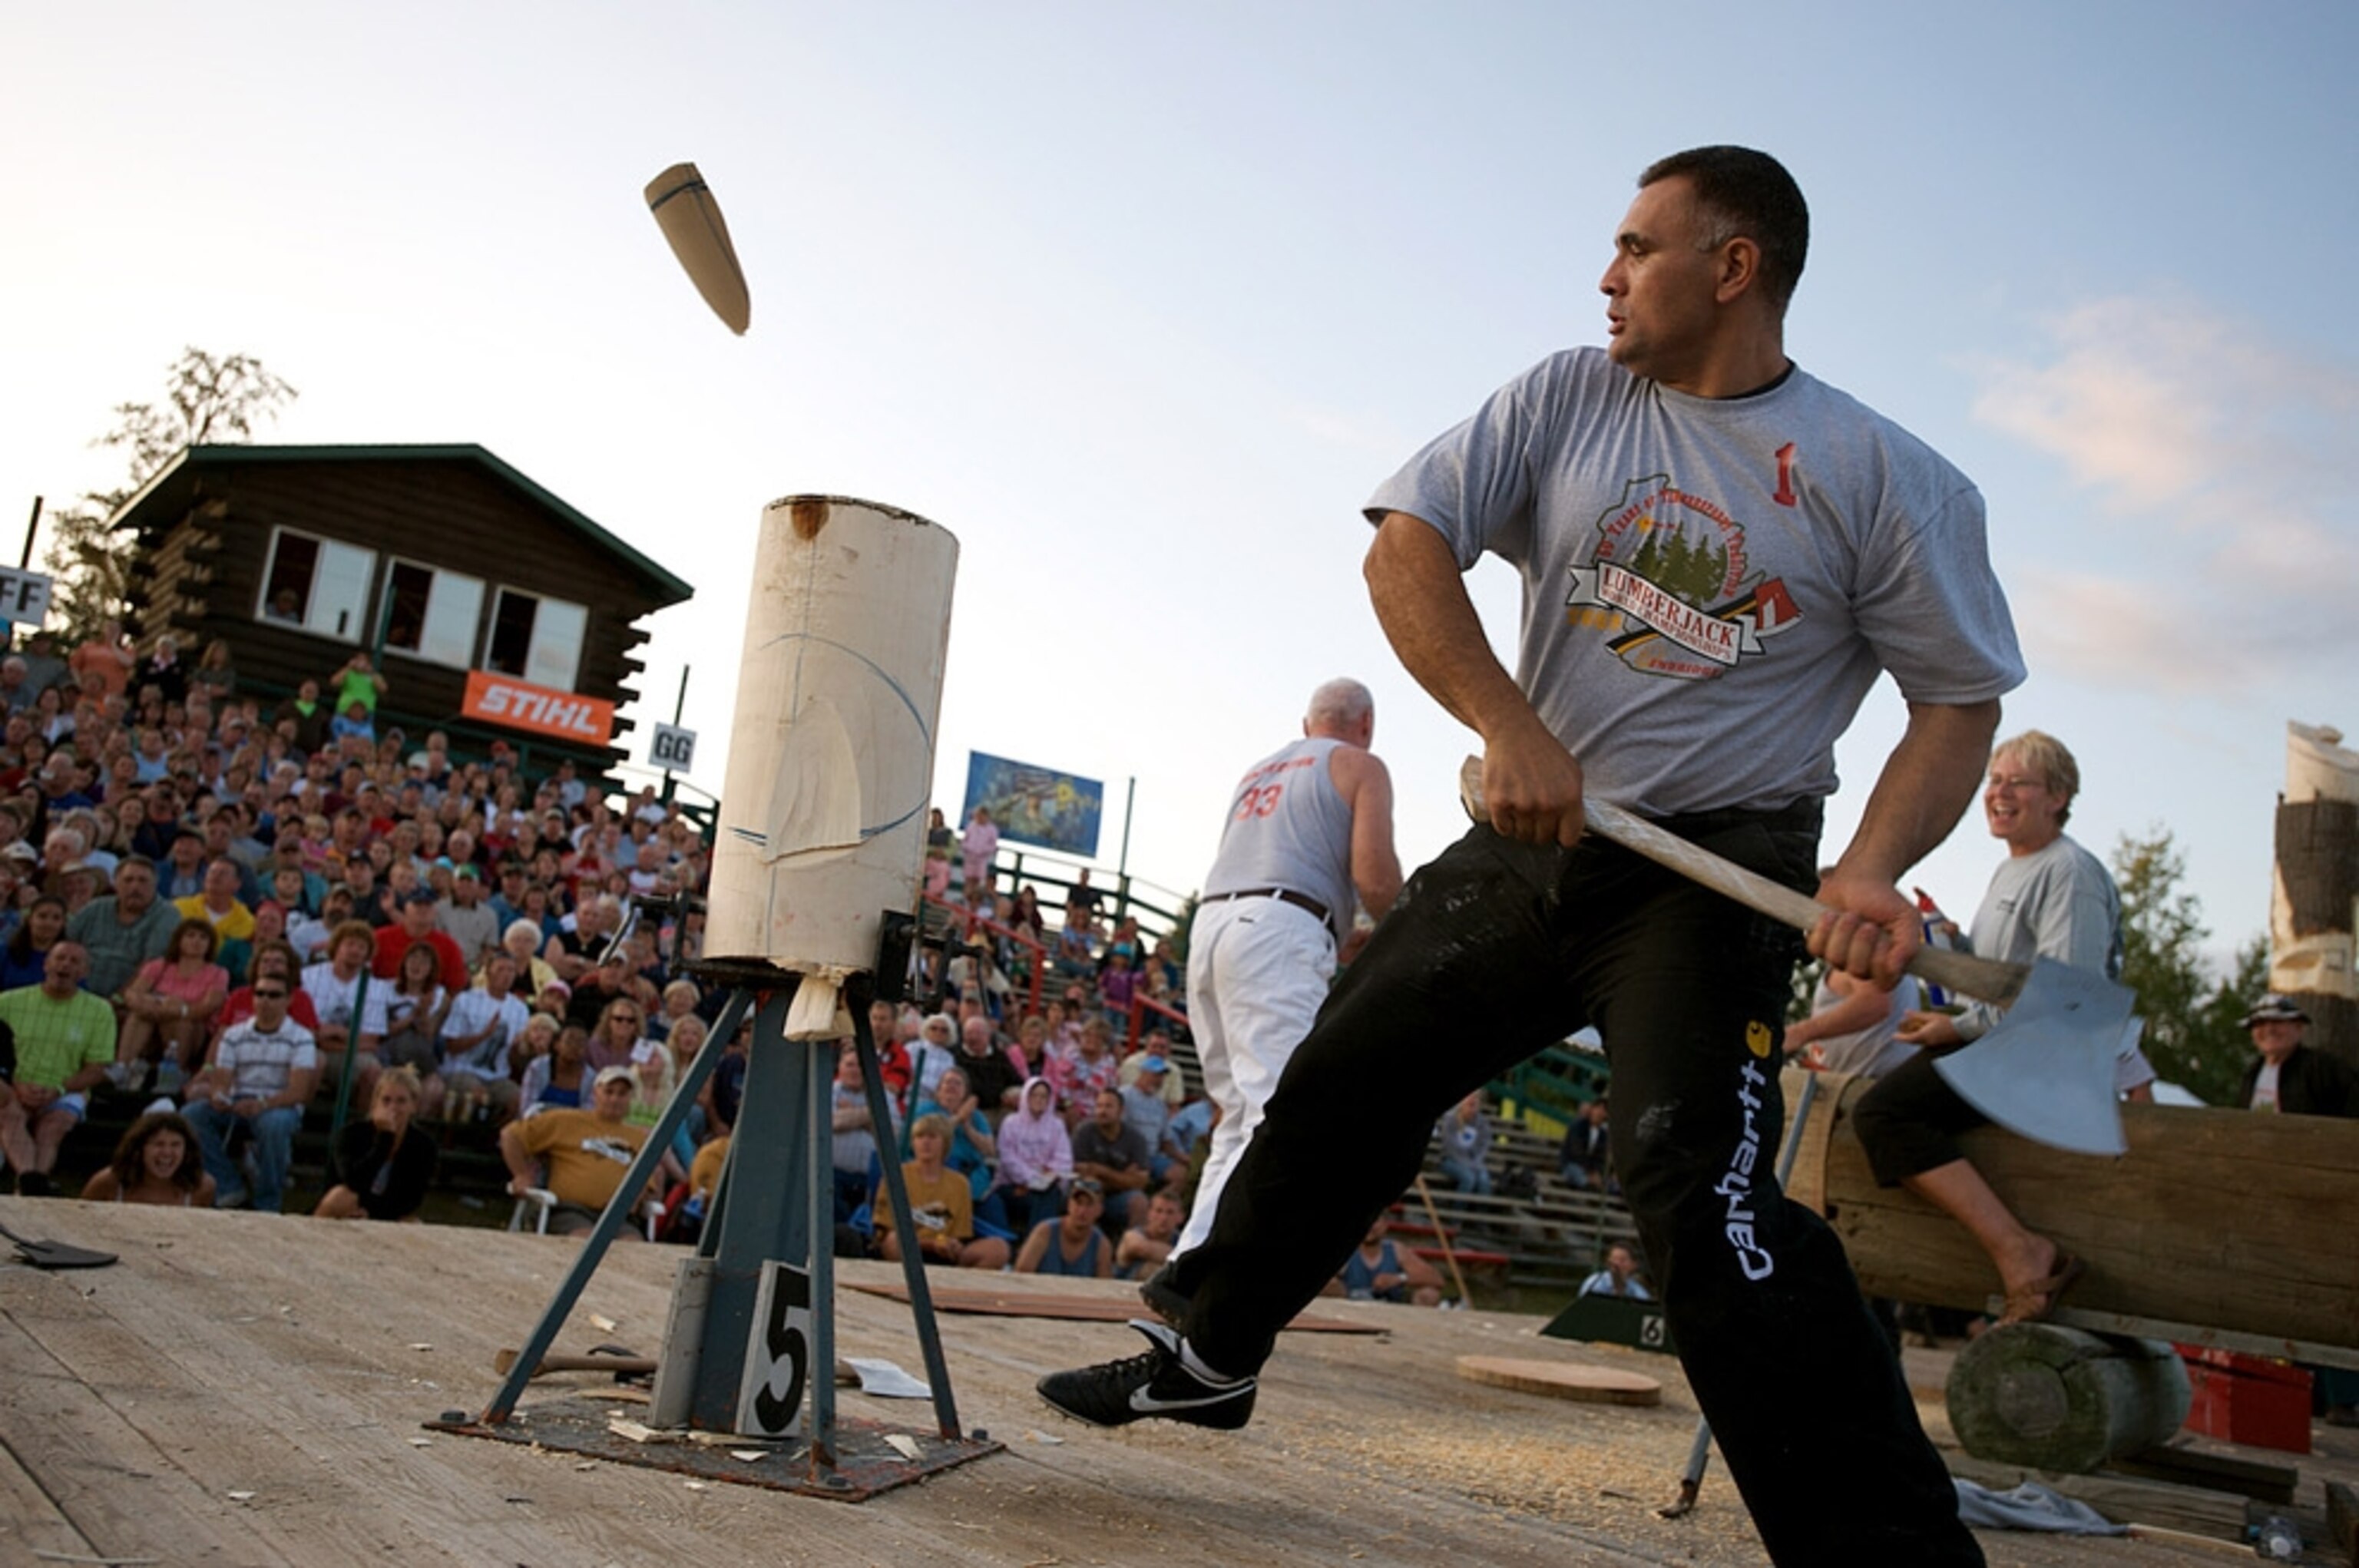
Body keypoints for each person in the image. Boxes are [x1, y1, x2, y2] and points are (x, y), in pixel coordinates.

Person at [1041, 147, 2010, 1566]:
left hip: (1716, 871)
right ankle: (1210, 1348)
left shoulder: (1882, 476)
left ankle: (1887, 1554)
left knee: (1698, 1195)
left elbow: (1957, 703)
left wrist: (1868, 866)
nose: (1606, 276)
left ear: (1733, 267)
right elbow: (1404, 543)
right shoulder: (1568, 395)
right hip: (1538, 835)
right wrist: (1507, 724)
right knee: (1350, 1062)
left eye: (1638, 247)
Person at [1854, 731, 2152, 1327]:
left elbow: (2070, 994)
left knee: (1885, 1114)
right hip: (2008, 1041)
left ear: (2058, 797)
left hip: (2047, 1053)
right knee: (1884, 1101)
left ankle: (2023, 1253)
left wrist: (1960, 1028)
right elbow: (2008, 976)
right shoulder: (2010, 871)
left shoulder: (2069, 871)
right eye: (1994, 780)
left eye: (2019, 782)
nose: (1999, 792)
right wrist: (1953, 949)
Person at [1152, 678, 1401, 1302]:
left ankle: (1189, 1268)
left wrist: (1333, 934)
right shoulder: (1360, 766)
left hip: (1213, 927)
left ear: (1307, 723)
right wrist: (1410, 930)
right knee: (1283, 1111)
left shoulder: (1258, 772)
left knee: (1240, 1114)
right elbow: (1374, 878)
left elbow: (1274, 869)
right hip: (1279, 930)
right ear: (1366, 724)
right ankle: (1228, 1284)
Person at [183, 968, 318, 1212]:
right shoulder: (233, 1035)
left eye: (274, 995)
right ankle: (228, 1188)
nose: (265, 1000)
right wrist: (219, 1097)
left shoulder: (302, 1038)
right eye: (260, 994)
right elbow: (222, 1080)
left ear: (289, 1000)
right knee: (192, 1114)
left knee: (274, 1124)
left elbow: (298, 1092)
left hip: (279, 1105)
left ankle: (268, 1200)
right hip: (238, 1101)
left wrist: (262, 1104)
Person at [0, 941, 117, 1194]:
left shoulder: (99, 1011)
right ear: (46, 964)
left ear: (84, 972)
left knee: (53, 1126)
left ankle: (31, 1183)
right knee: (9, 1115)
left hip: (67, 1089)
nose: (65, 965)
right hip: (14, 1085)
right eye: (60, 958)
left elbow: (96, 1068)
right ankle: (31, 1183)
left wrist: (58, 1089)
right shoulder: (8, 1002)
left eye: (75, 961)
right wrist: (16, 1086)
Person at [498, 1064, 653, 1236]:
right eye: (609, 1092)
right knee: (584, 1242)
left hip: (617, 1216)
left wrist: (635, 1197)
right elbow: (510, 1135)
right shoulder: (567, 1120)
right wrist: (521, 1174)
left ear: (631, 1099)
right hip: (570, 1209)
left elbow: (647, 1179)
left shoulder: (638, 1137)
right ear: (595, 1094)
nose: (615, 1099)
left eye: (622, 1094)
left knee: (633, 1247)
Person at [874, 1113, 1010, 1269]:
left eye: (932, 1137)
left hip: (944, 1251)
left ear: (945, 1143)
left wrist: (952, 1245)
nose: (926, 1142)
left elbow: (960, 1234)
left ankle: (957, 1282)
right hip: (909, 1249)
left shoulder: (960, 1183)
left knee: (998, 1249)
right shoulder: (896, 1176)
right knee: (894, 1240)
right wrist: (931, 1244)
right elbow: (886, 1231)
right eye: (920, 1137)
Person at [316, 1066, 438, 1221]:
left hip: (386, 1212)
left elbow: (411, 1199)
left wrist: (371, 1213)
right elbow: (353, 1180)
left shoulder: (424, 1145)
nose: (393, 1107)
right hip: (345, 1207)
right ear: (375, 1103)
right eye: (386, 1100)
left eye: (401, 1101)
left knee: (413, 1223)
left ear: (413, 1106)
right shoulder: (351, 1135)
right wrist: (385, 1138)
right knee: (342, 1197)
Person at [2238, 993, 2359, 1116]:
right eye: (2260, 1023)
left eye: (2277, 1021)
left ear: (2299, 1027)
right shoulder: (2251, 1074)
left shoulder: (2324, 1069)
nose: (2269, 1030)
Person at [80, 1109, 216, 1206]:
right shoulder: (107, 1183)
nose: (167, 1152)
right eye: (159, 1144)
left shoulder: (202, 1188)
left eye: (175, 1145)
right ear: (139, 1149)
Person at [1325, 1215, 1443, 1307]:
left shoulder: (1395, 1250)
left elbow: (1436, 1279)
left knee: (1429, 1294)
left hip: (1391, 1308)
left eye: (1375, 1221)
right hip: (1350, 1308)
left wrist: (1398, 1279)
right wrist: (1339, 1289)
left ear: (1385, 1225)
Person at [1014, 1176, 1115, 1278]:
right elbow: (1022, 1275)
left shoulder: (1101, 1245)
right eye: (1078, 1203)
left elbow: (1104, 1283)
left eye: (1089, 1205)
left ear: (1099, 1210)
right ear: (1069, 1204)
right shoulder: (1045, 1232)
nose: (1082, 1211)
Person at [1117, 1188, 1188, 1280]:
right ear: (1149, 1213)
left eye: (1170, 1212)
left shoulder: (1183, 1241)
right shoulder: (1133, 1236)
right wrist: (1181, 1258)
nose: (1164, 1218)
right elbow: (1139, 1248)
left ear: (1181, 1217)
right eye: (1159, 1211)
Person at [1434, 1090, 1494, 1195]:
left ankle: (1482, 1205)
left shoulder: (1483, 1123)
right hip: (1449, 1160)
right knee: (1468, 1178)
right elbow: (1451, 1148)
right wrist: (1468, 1163)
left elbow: (1482, 1148)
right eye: (1470, 1096)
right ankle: (1459, 1204)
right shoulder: (1450, 1119)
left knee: (1484, 1180)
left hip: (1473, 1162)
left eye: (1476, 1097)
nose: (1473, 1099)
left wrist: (1473, 1163)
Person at [1558, 1097, 1614, 1192]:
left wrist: (1596, 1171)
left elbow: (1601, 1157)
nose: (1599, 1113)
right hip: (1572, 1164)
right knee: (1578, 1175)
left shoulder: (1603, 1135)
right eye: (1598, 1108)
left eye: (1603, 1110)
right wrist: (1589, 1171)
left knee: (1609, 1182)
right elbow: (1576, 1152)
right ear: (1592, 1109)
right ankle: (1589, 1186)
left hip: (1591, 1169)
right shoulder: (1578, 1126)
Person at [1578, 1241, 1655, 1301]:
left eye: (1622, 1260)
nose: (1617, 1264)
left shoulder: (1636, 1290)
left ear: (1634, 1265)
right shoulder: (1595, 1283)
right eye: (1614, 1259)